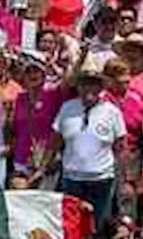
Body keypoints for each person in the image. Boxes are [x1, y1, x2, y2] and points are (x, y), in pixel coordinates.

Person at [44, 60, 125, 229]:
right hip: (71, 179)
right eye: (85, 84)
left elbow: (120, 146)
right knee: (71, 225)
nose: (89, 89)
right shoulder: (67, 108)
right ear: (78, 86)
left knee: (98, 225)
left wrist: (121, 178)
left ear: (100, 87)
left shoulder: (112, 112)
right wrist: (44, 165)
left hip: (101, 180)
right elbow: (55, 140)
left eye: (94, 84)